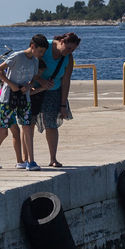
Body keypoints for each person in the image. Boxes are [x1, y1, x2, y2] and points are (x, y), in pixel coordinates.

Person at [0, 34, 48, 171]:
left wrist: (29, 85)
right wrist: (12, 84)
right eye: (40, 51)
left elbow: (32, 78)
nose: (41, 54)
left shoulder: (35, 61)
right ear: (33, 46)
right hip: (8, 97)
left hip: (24, 98)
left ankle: (31, 161)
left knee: (26, 127)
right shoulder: (17, 56)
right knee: (2, 129)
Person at [35, 32, 80, 168]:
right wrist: (41, 81)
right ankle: (26, 159)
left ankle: (53, 158)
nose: (69, 52)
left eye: (72, 50)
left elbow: (66, 81)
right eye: (68, 48)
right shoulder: (45, 46)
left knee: (51, 124)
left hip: (54, 91)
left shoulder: (68, 58)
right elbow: (29, 68)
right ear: (61, 42)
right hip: (34, 89)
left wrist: (63, 104)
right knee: (28, 124)